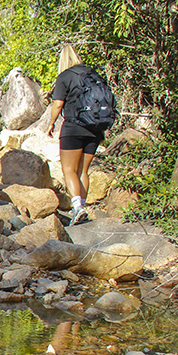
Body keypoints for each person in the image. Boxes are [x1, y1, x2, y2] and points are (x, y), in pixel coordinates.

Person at [47, 43, 110, 225]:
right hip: (96, 128)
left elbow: (58, 104)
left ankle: (77, 208)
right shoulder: (94, 74)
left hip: (74, 128)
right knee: (83, 170)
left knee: (68, 169)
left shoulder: (65, 76)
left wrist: (51, 123)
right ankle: (81, 207)